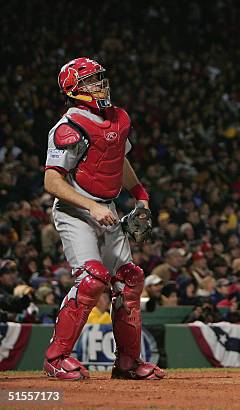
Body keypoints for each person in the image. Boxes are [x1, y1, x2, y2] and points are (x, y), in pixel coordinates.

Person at [42, 58, 164, 380]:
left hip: (107, 208)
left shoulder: (117, 119)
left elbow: (116, 160)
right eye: (91, 81)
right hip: (75, 211)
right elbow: (52, 182)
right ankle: (56, 358)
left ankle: (127, 364)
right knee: (92, 279)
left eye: (100, 78)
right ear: (73, 89)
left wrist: (140, 194)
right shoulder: (69, 127)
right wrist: (92, 207)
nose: (100, 84)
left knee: (130, 279)